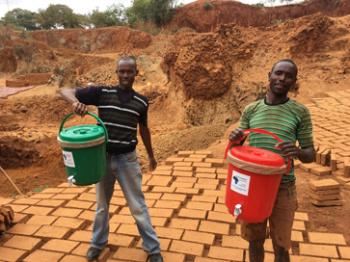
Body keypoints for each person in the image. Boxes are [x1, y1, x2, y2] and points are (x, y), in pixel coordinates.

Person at [60, 56, 163, 262]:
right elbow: (64, 91)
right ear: (116, 73)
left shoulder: (141, 102)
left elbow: (144, 129)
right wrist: (76, 103)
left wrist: (151, 156)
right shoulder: (102, 93)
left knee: (137, 206)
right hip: (102, 158)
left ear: (136, 73)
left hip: (128, 159)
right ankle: (97, 244)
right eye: (122, 71)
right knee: (101, 206)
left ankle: (153, 249)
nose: (125, 75)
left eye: (129, 71)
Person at [229, 59, 315, 262]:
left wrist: (296, 151)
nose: (282, 78)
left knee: (282, 245)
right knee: (254, 240)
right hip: (254, 187)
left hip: (283, 188)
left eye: (288, 76)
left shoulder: (300, 112)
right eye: (278, 73)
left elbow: (310, 154)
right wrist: (235, 139)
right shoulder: (251, 110)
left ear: (294, 81)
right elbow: (237, 147)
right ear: (269, 75)